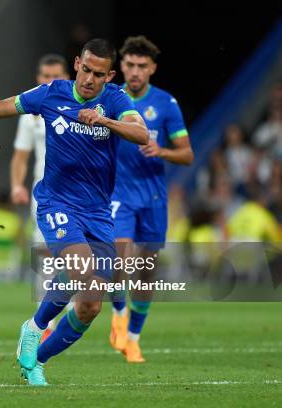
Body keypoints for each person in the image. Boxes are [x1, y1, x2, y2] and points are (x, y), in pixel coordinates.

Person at [0, 39, 148, 385]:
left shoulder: (115, 99)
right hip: (57, 203)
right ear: (76, 64)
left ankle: (35, 359)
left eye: (98, 74)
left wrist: (106, 122)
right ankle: (36, 326)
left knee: (90, 306)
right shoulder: (51, 94)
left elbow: (141, 133)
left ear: (109, 76)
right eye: (86, 69)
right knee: (81, 268)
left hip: (98, 212)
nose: (89, 79)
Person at [108, 36, 193, 363]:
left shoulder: (166, 104)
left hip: (154, 198)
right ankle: (117, 313)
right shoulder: (112, 99)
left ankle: (133, 338)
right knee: (119, 259)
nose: (135, 71)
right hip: (119, 194)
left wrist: (163, 150)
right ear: (122, 66)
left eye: (142, 66)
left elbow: (187, 155)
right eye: (129, 64)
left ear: (152, 68)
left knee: (145, 272)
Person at [9, 54, 70, 340]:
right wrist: (17, 185)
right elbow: (21, 156)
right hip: (45, 192)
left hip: (81, 193)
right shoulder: (32, 113)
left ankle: (69, 310)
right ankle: (43, 322)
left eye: (54, 76)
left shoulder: (78, 106)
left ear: (67, 76)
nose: (49, 81)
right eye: (44, 76)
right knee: (46, 253)